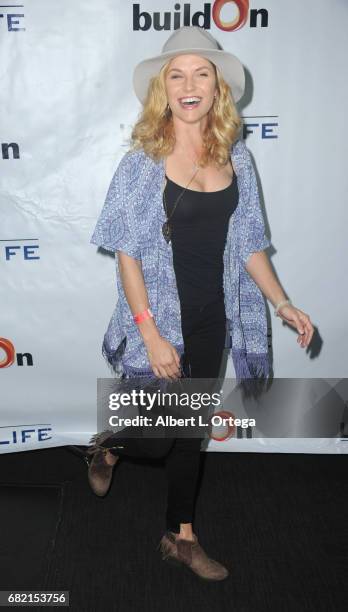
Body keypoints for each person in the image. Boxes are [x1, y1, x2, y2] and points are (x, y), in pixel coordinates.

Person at [87, 26, 314, 581]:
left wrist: (282, 303)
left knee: (188, 434)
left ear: (218, 87)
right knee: (160, 434)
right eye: (177, 74)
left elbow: (250, 243)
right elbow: (127, 256)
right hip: (159, 320)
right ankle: (111, 444)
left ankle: (180, 535)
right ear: (164, 87)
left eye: (202, 73)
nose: (190, 84)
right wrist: (150, 333)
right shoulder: (141, 163)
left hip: (216, 317)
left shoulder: (237, 157)